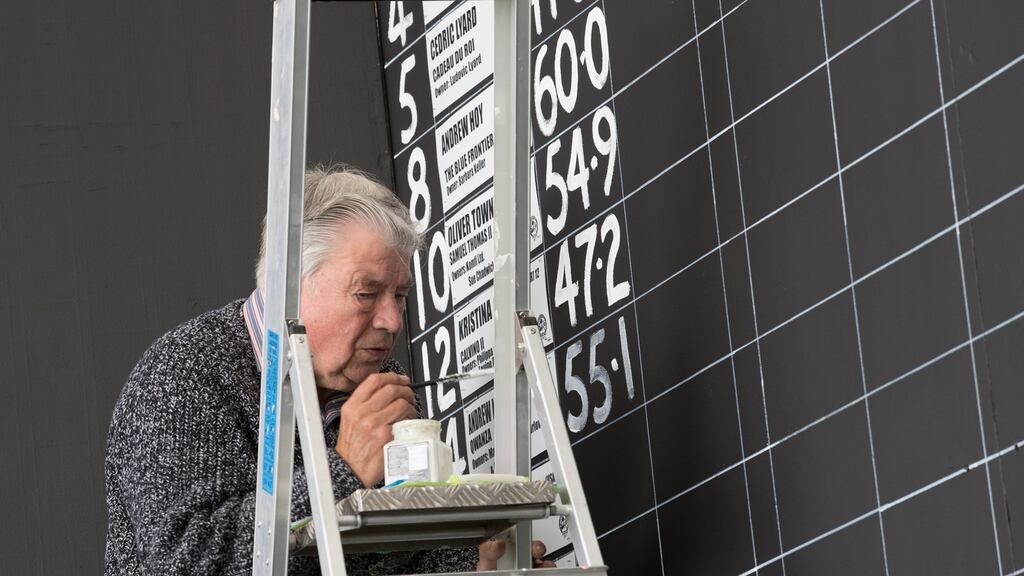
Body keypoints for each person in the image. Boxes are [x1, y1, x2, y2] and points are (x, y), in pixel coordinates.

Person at [104, 167, 554, 574]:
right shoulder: (185, 375)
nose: (393, 321)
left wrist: (478, 563)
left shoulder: (378, 379)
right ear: (289, 285)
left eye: (399, 296)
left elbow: (400, 553)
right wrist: (343, 468)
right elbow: (190, 563)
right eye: (367, 293)